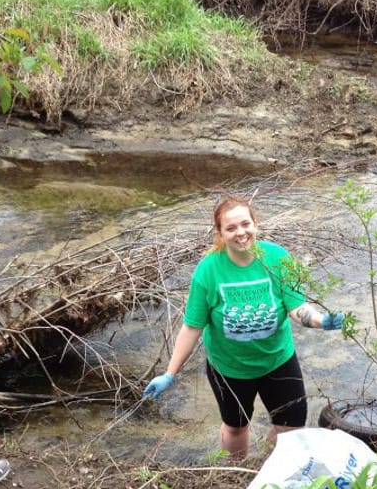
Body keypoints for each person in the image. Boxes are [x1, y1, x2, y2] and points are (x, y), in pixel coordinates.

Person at [142, 195, 345, 460]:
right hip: (229, 368)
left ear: (255, 223)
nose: (241, 233)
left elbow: (296, 308)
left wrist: (321, 321)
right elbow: (192, 327)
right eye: (231, 228)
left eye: (245, 224)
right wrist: (170, 373)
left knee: (292, 425)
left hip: (277, 360)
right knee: (237, 426)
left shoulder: (278, 258)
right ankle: (237, 474)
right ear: (220, 233)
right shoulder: (208, 271)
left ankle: (269, 467)